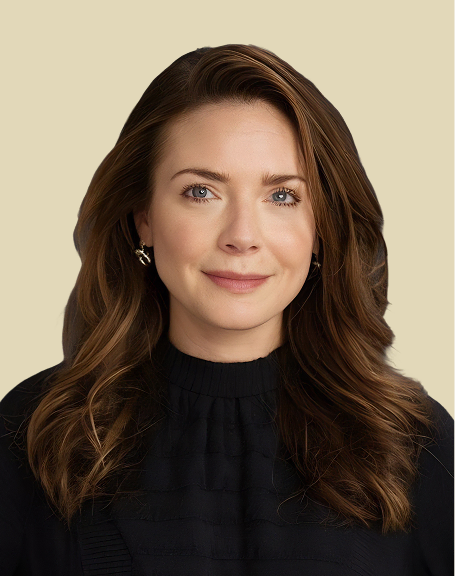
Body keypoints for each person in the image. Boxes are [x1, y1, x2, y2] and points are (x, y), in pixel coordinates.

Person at [0, 43, 453, 576]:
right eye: (201, 192)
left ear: (321, 228)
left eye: (282, 196)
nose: (241, 236)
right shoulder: (34, 434)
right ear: (144, 218)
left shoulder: (415, 444)